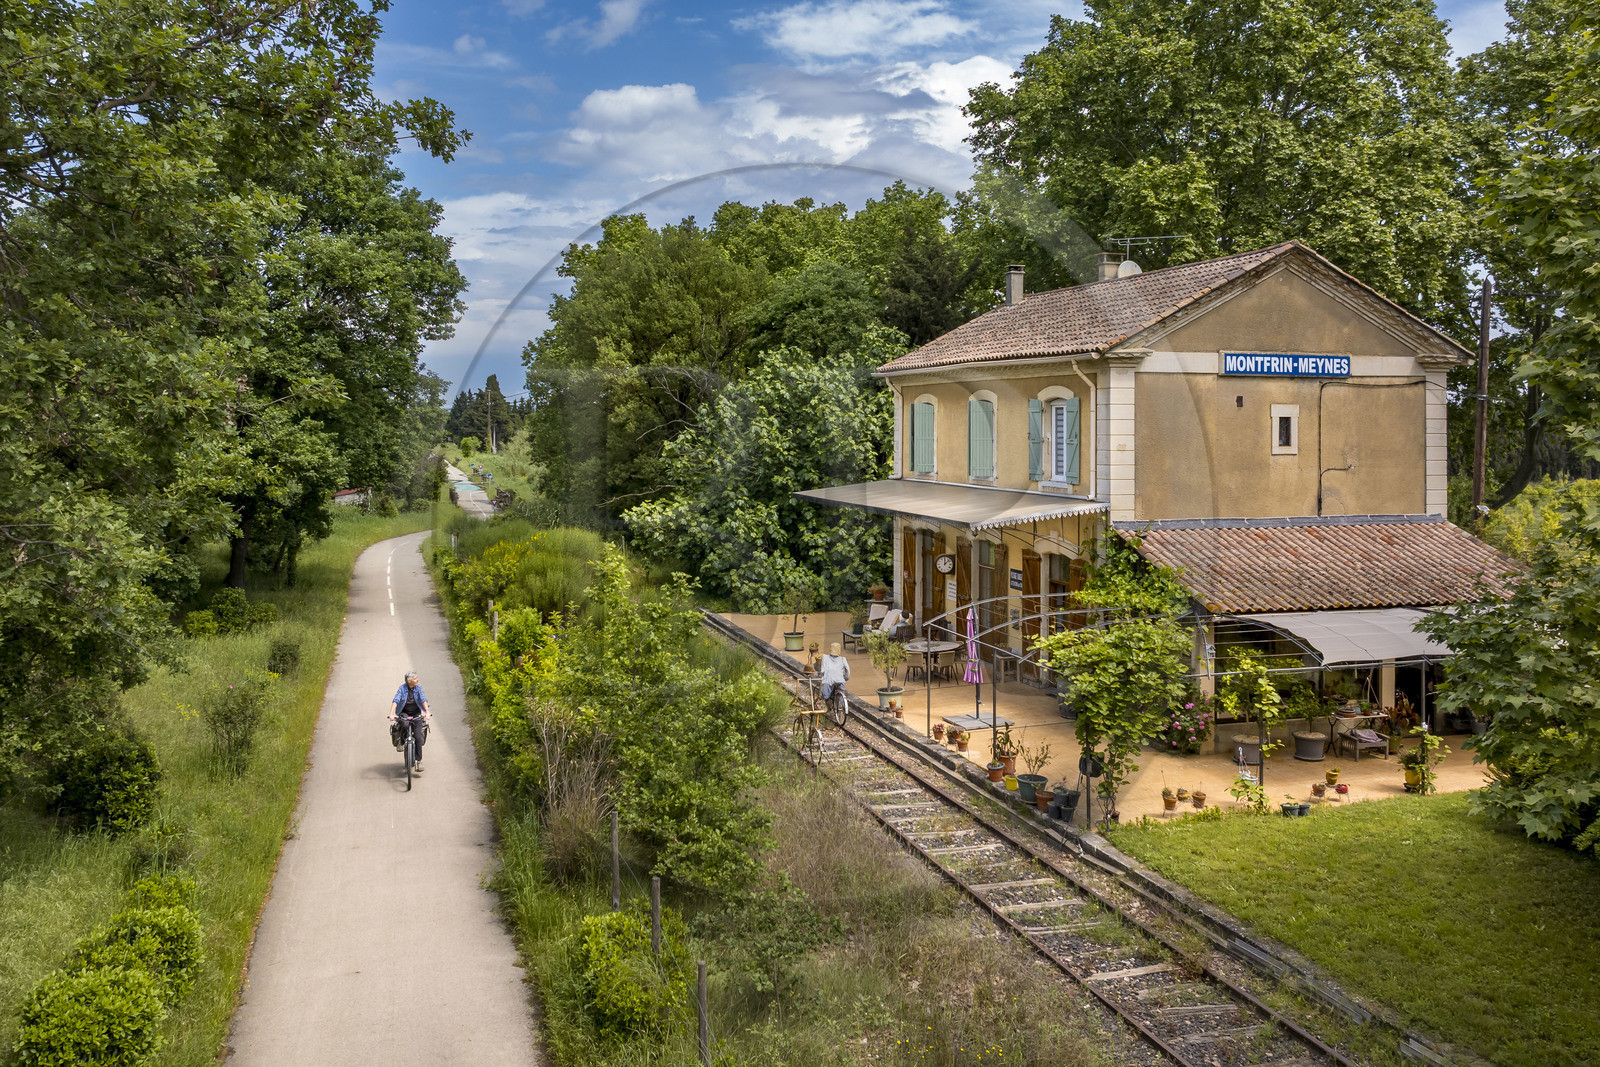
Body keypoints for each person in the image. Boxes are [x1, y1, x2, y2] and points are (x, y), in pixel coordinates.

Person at [389, 671, 433, 772]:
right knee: (404, 724)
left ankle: (418, 761)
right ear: (409, 681)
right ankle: (401, 741)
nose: (417, 680)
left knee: (418, 736)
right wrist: (391, 714)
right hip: (404, 712)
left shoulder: (419, 687)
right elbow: (395, 701)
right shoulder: (402, 688)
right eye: (415, 679)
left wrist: (427, 711)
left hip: (416, 713)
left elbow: (423, 699)